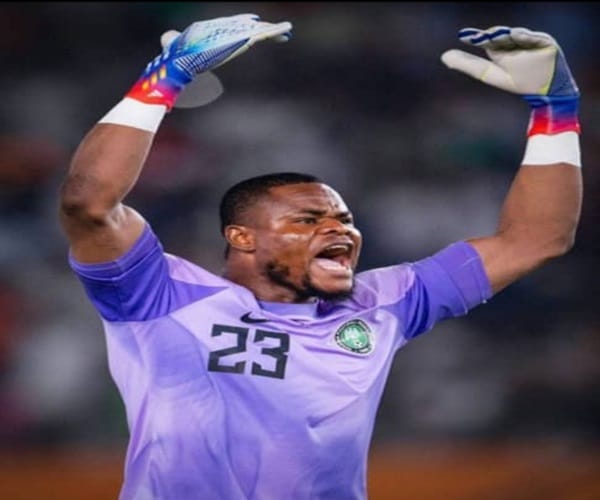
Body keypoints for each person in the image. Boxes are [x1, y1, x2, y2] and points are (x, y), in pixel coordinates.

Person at [58, 14, 582, 500]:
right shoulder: (160, 295)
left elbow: (537, 239)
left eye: (344, 220)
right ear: (242, 238)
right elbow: (89, 203)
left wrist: (556, 111)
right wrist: (165, 79)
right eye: (307, 220)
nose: (338, 230)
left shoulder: (387, 302)